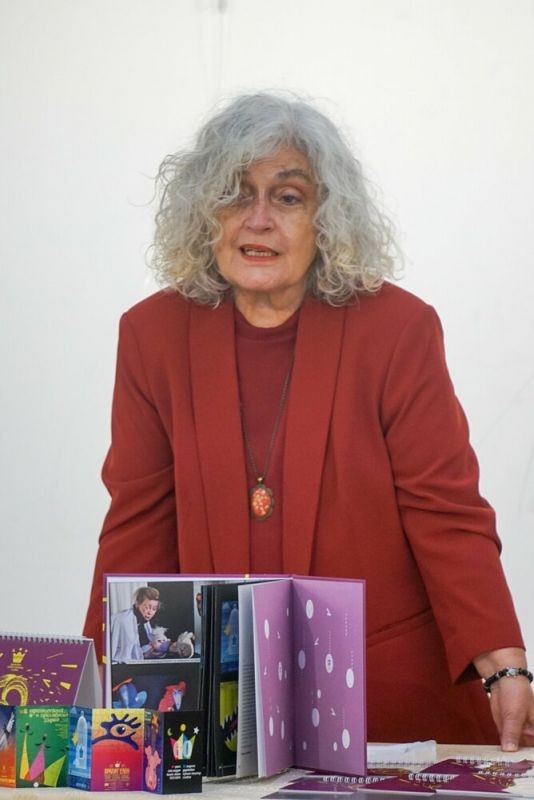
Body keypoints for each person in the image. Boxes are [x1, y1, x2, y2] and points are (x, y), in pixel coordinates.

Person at [84, 92, 534, 748]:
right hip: (222, 706)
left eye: (288, 197)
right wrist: (96, 685)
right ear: (203, 213)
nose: (259, 219)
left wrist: (503, 661)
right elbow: (138, 522)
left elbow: (446, 512)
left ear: (327, 217)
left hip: (386, 702)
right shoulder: (152, 335)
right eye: (235, 195)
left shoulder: (398, 330)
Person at [110, 586, 161, 662]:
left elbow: (137, 651)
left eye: (154, 609)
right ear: (137, 603)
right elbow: (122, 653)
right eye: (147, 607)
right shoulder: (124, 620)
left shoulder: (144, 622)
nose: (150, 612)